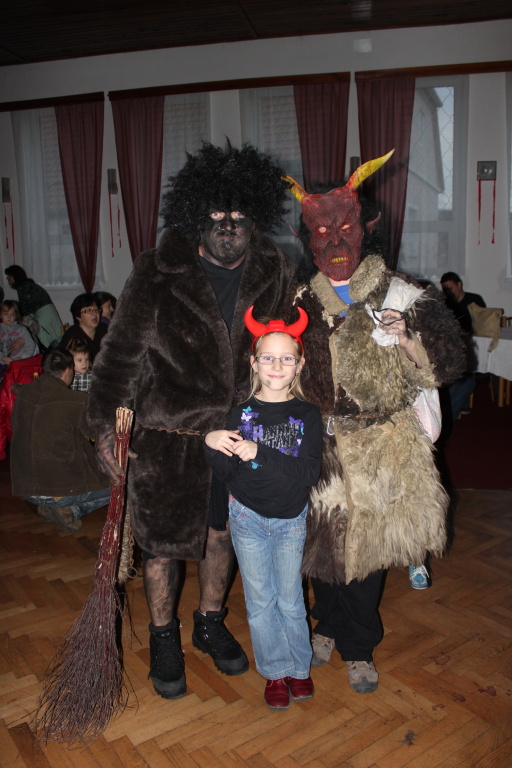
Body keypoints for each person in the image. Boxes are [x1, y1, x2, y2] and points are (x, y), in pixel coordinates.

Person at [87, 142, 295, 700]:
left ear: (254, 219)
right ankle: (163, 637)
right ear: (195, 216)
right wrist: (105, 426)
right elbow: (120, 354)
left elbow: (288, 344)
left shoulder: (274, 268)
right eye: (215, 214)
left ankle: (208, 622)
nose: (227, 225)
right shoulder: (157, 270)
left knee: (222, 535)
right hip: (167, 436)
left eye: (238, 215)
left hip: (239, 433)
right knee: (162, 546)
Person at [283, 153, 466, 693]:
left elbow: (448, 362)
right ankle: (326, 625)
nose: (335, 241)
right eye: (322, 232)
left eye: (345, 228)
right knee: (321, 549)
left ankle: (359, 647)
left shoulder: (403, 292)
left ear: (365, 228)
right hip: (318, 447)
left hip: (383, 447)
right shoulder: (297, 299)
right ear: (307, 240)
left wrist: (407, 338)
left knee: (366, 554)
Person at [204, 307, 322, 710]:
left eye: (286, 358)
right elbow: (226, 472)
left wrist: (261, 452)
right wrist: (211, 442)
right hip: (247, 516)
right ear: (253, 362)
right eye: (268, 357)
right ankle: (275, 671)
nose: (276, 365)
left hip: (290, 519)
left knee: (289, 600)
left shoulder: (307, 414)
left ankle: (299, 668)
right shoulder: (239, 413)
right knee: (259, 602)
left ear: (299, 364)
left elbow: (309, 472)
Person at [10, 348, 110, 533]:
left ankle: (49, 506)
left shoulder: (24, 393)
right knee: (122, 484)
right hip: (60, 490)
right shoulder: (76, 400)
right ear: (68, 371)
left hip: (26, 488)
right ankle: (71, 509)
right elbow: (101, 435)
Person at [440, 271, 486, 422]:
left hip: (474, 341)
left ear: (459, 285)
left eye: (450, 288)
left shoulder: (474, 300)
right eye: (445, 289)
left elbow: (481, 323)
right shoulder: (446, 304)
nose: (448, 292)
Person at [4, 265, 63, 349]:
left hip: (43, 313)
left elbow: (24, 310)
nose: (7, 278)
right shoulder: (28, 284)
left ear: (15, 276)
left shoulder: (22, 287)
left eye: (9, 276)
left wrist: (17, 319)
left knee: (44, 339)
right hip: (49, 310)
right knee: (56, 337)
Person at [60, 294, 107, 363]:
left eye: (96, 309)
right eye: (89, 311)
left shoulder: (104, 328)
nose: (94, 314)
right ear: (78, 317)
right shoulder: (72, 336)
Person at [1, 300, 39, 376]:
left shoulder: (21, 329)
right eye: (6, 314)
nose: (9, 317)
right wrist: (3, 358)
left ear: (16, 316)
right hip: (3, 363)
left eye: (12, 314)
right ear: (0, 315)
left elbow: (31, 345)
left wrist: (22, 358)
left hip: (19, 362)